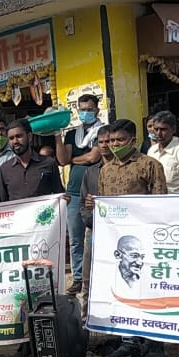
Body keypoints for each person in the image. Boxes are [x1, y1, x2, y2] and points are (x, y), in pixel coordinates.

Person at [84, 119, 168, 357]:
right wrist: (93, 204)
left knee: (149, 290)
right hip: (116, 241)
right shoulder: (106, 169)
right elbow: (102, 205)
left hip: (144, 240)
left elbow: (161, 202)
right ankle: (128, 341)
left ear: (133, 140)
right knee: (122, 288)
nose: (114, 145)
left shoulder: (150, 165)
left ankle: (155, 342)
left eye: (120, 140)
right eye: (111, 141)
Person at [56, 94, 108, 295]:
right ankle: (78, 277)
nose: (85, 112)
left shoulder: (102, 132)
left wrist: (73, 159)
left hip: (95, 192)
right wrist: (57, 136)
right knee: (75, 238)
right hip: (74, 192)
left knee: (96, 236)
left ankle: (97, 274)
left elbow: (92, 158)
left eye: (89, 109)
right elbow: (63, 160)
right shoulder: (72, 134)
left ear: (97, 110)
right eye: (82, 109)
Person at [0, 117, 65, 202]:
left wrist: (63, 200)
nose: (15, 141)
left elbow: (59, 195)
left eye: (19, 136)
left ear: (29, 137)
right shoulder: (4, 169)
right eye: (11, 138)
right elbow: (2, 203)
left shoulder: (49, 163)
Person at [147, 110, 179, 195]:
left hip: (176, 201)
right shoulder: (151, 151)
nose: (159, 133)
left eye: (163, 129)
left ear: (173, 130)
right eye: (156, 129)